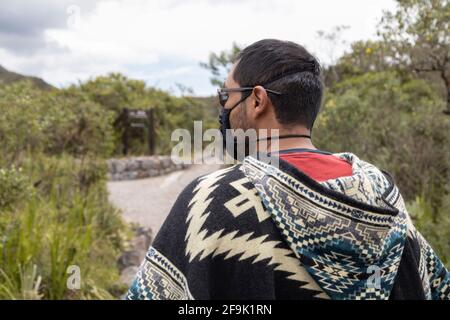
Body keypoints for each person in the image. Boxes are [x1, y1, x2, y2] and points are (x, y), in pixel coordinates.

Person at [126, 39, 449, 300]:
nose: (222, 108)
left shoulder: (211, 200)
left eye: (225, 96)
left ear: (257, 100)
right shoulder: (384, 194)